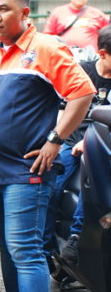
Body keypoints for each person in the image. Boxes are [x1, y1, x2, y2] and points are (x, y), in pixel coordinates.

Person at [0, 0, 95, 292]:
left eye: (4, 9)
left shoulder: (45, 47)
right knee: (8, 251)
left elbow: (82, 92)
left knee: (25, 250)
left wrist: (56, 140)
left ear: (24, 13)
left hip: (26, 171)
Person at [46, 25, 111, 262]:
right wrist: (59, 138)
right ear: (102, 54)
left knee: (92, 187)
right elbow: (62, 109)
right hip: (71, 140)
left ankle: (76, 237)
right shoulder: (82, 71)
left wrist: (88, 142)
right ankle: (44, 245)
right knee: (51, 187)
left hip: (102, 143)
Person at [44, 0, 109, 51]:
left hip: (90, 55)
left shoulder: (97, 13)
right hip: (64, 54)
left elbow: (108, 31)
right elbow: (47, 35)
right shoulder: (58, 12)